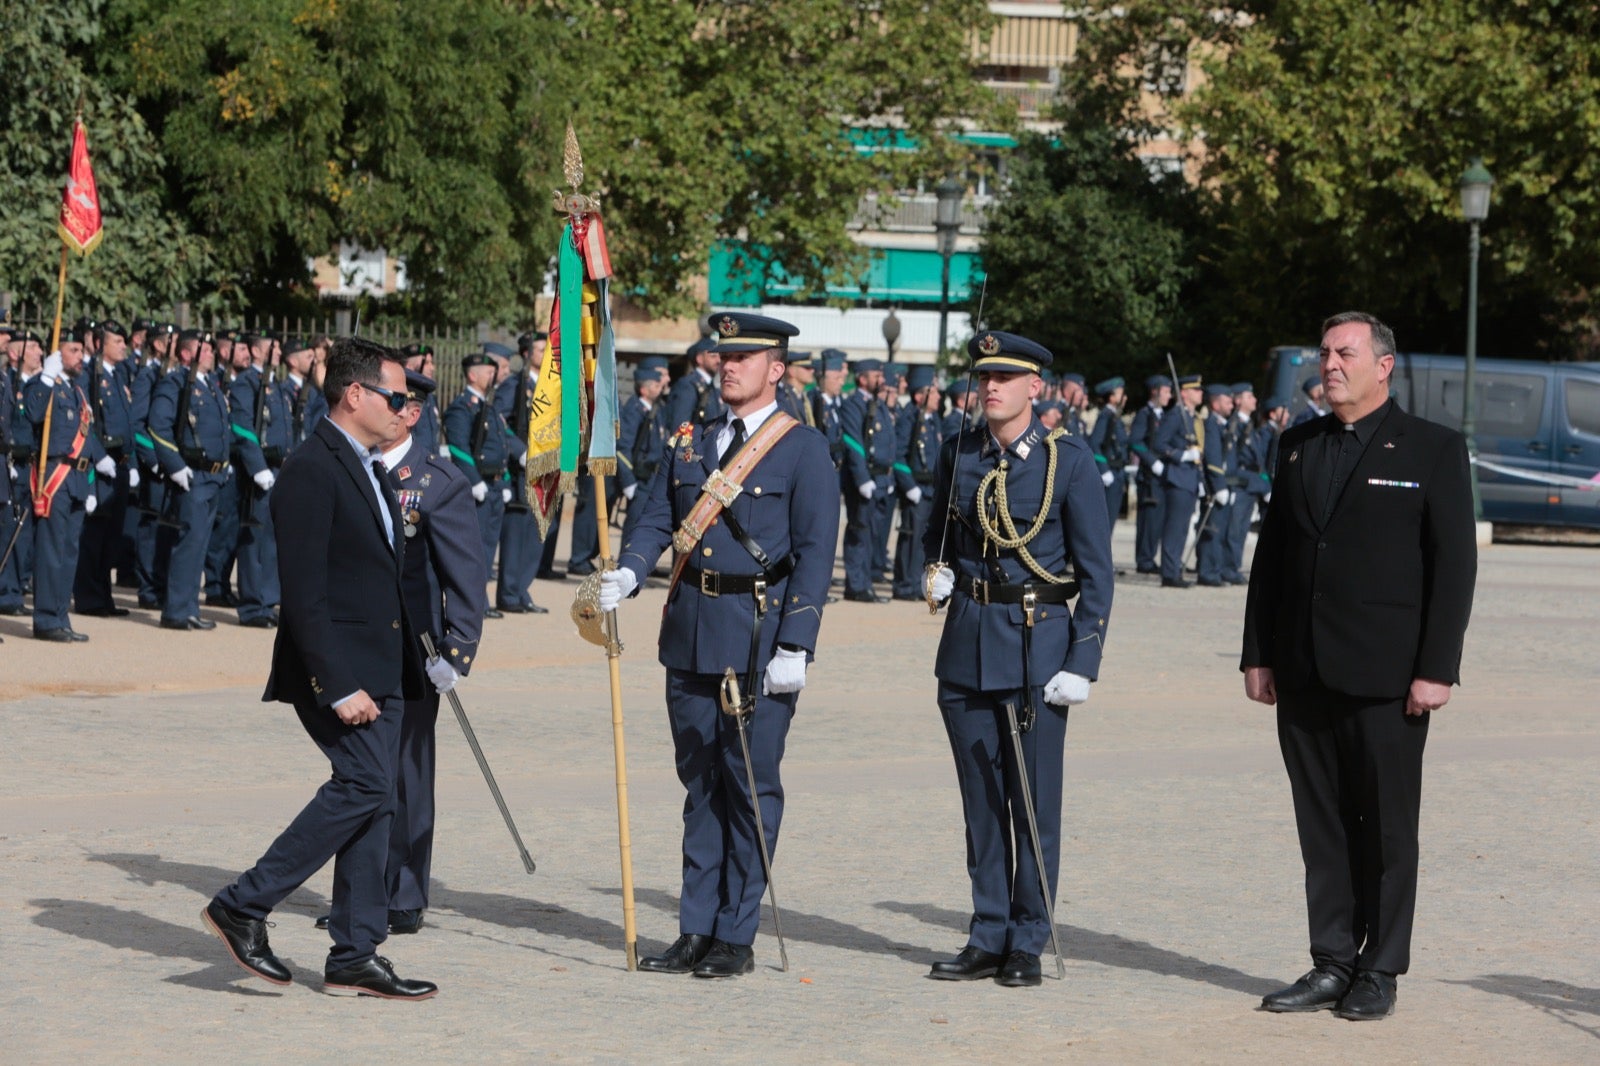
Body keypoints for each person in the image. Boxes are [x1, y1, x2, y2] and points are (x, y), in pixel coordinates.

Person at [1242, 311, 1476, 1022]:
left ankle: (1380, 968)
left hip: (1388, 677)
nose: (1330, 363)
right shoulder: (1298, 444)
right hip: (1305, 671)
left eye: (1345, 352)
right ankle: (1331, 960)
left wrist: (1436, 668)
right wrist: (1258, 654)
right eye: (1324, 352)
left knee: (1386, 828)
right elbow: (1273, 560)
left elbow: (1454, 567)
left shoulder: (1431, 449)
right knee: (1322, 826)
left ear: (1385, 366)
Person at [599, 311, 840, 979]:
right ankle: (694, 927)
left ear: (776, 370)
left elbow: (817, 553)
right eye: (723, 355)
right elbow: (655, 513)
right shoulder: (691, 439)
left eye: (745, 357)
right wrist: (630, 568)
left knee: (748, 785)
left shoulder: (802, 448)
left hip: (758, 635)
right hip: (691, 631)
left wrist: (798, 642)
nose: (728, 365)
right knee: (700, 785)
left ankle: (736, 931)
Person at [204, 337, 434, 1000]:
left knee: (379, 798)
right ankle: (244, 904)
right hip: (337, 672)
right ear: (355, 394)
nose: (405, 407)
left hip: (383, 668)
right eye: (395, 395)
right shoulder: (313, 467)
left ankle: (355, 951)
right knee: (363, 786)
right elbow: (302, 592)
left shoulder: (367, 464)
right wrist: (336, 684)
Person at [921, 330, 1114, 987]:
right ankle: (988, 931)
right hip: (968, 644)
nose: (991, 387)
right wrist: (935, 571)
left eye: (1005, 377)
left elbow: (1096, 573)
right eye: (983, 377)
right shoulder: (958, 454)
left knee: (1031, 804)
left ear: (1037, 387)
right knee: (981, 805)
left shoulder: (1068, 463)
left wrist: (1082, 661)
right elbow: (935, 535)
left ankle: (1028, 938)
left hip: (1037, 648)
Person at [362, 368, 486, 933]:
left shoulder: (437, 481)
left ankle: (404, 894)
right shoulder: (352, 468)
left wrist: (457, 651)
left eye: (392, 400)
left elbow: (464, 575)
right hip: (358, 645)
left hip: (417, 649)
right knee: (360, 772)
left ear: (412, 413)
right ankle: (361, 891)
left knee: (407, 775)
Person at [24, 334, 108, 641]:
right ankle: (46, 619)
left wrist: (91, 487)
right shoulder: (42, 384)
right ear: (56, 355)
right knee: (51, 552)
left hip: (77, 480)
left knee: (70, 553)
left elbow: (85, 441)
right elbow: (32, 414)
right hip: (54, 478)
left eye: (82, 350)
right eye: (73, 350)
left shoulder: (77, 390)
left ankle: (61, 615)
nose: (80, 356)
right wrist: (45, 377)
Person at [147, 330, 230, 630]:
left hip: (213, 476)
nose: (210, 352)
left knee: (200, 544)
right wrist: (175, 465)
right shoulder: (176, 382)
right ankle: (177, 611)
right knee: (189, 543)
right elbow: (157, 426)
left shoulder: (210, 385)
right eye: (203, 348)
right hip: (192, 475)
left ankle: (189, 607)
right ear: (185, 354)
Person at [446, 347, 518, 617]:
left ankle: (481, 600)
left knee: (488, 547)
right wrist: (474, 480)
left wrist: (507, 479)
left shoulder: (490, 408)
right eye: (489, 372)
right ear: (473, 375)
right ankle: (474, 601)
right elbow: (459, 447)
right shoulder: (462, 407)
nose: (494, 376)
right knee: (475, 549)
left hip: (496, 486)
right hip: (479, 487)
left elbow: (501, 447)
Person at [73, 319, 137, 617]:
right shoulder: (89, 375)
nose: (123, 346)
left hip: (119, 466)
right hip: (100, 467)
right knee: (94, 535)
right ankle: (89, 598)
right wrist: (98, 455)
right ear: (100, 344)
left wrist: (132, 461)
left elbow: (128, 423)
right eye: (117, 341)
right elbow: (85, 420)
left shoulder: (116, 374)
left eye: (124, 341)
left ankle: (104, 596)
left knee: (111, 536)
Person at [230, 331, 292, 627]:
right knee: (254, 540)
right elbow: (242, 427)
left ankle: (267, 601)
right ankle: (253, 605)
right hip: (261, 472)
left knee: (272, 540)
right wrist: (257, 467)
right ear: (256, 351)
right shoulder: (246, 382)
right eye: (272, 347)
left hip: (279, 469)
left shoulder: (273, 382)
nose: (278, 351)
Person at [491, 337, 549, 612]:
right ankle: (509, 593)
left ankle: (523, 589)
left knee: (537, 531)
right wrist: (520, 451)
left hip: (547, 469)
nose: (548, 353)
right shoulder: (515, 385)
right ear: (526, 354)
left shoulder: (551, 386)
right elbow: (499, 422)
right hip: (522, 470)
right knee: (516, 534)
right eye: (541, 349)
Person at [839, 357, 895, 602]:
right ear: (862, 378)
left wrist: (889, 474)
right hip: (865, 479)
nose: (880, 379)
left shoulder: (877, 404)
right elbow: (853, 441)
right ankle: (856, 585)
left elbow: (888, 441)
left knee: (872, 534)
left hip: (881, 479)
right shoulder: (854, 404)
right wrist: (862, 478)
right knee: (859, 532)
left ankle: (866, 582)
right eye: (876, 375)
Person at [890, 365, 942, 601]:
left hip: (931, 489)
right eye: (934, 392)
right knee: (910, 539)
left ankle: (917, 583)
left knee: (925, 541)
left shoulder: (932, 421)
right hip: (916, 488)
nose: (939, 397)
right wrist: (909, 486)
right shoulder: (910, 417)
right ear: (920, 396)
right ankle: (904, 585)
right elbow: (898, 455)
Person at [1152, 373, 1205, 588]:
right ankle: (1169, 573)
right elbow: (1159, 444)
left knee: (1183, 528)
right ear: (1185, 393)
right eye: (1196, 390)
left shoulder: (1191, 416)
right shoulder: (1175, 415)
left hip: (1190, 478)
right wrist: (1181, 455)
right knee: (1175, 528)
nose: (1201, 393)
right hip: (1178, 477)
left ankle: (1174, 569)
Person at [617, 356, 671, 547]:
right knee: (634, 525)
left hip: (652, 478)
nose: (660, 387)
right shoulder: (635, 409)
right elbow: (622, 448)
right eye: (656, 385)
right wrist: (628, 482)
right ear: (644, 389)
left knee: (647, 526)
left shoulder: (657, 409)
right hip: (639, 479)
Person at [1196, 383, 1238, 587]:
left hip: (1224, 485)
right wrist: (1219, 486)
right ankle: (1207, 572)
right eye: (1227, 399)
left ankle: (1215, 569)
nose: (1232, 403)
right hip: (1215, 488)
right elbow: (1212, 458)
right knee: (1212, 530)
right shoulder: (1211, 424)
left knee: (1219, 530)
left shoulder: (1221, 424)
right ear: (1215, 402)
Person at [1129, 374, 1171, 575]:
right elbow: (1135, 442)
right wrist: (1152, 462)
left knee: (1158, 521)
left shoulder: (1163, 416)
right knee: (1149, 520)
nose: (1169, 396)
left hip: (1162, 476)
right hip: (1149, 475)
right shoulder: (1144, 415)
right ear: (1155, 391)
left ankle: (1149, 557)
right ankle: (1144, 559)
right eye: (1166, 391)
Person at [1087, 377, 1129, 530]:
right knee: (1105, 524)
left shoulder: (1114, 417)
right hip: (1110, 473)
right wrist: (1104, 470)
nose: (1124, 397)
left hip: (1117, 472)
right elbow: (1094, 444)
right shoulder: (1106, 416)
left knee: (1110, 522)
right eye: (1120, 393)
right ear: (1111, 397)